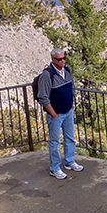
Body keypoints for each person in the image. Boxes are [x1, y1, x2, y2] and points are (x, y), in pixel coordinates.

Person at [34, 45, 81, 180]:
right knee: (54, 142)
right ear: (53, 60)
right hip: (56, 114)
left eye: (64, 58)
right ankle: (55, 168)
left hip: (67, 112)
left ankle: (69, 161)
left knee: (70, 138)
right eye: (59, 59)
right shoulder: (47, 75)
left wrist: (71, 104)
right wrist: (53, 113)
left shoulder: (66, 71)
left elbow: (71, 88)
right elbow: (43, 96)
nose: (62, 61)